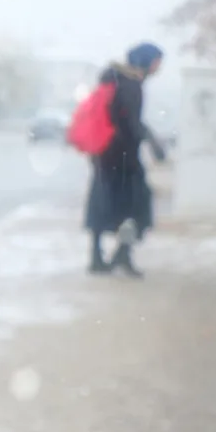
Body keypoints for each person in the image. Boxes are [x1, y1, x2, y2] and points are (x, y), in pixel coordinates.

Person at [85, 42, 167, 279]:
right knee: (137, 208)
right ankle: (123, 254)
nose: (158, 67)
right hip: (123, 158)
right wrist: (151, 141)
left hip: (103, 155)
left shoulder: (113, 79)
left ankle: (97, 257)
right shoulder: (131, 85)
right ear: (146, 60)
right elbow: (130, 122)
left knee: (103, 204)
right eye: (157, 61)